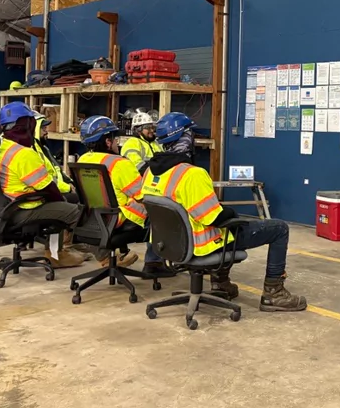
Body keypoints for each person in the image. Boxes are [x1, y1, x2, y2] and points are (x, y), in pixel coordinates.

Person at [142, 112, 307, 312]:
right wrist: (230, 213)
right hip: (201, 245)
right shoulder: (191, 174)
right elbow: (214, 218)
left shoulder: (150, 172)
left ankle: (221, 284)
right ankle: (274, 293)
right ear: (186, 138)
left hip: (169, 244)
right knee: (278, 228)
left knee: (230, 223)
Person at [0, 102, 85, 268]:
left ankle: (61, 250)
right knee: (78, 211)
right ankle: (62, 255)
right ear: (25, 125)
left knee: (64, 202)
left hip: (4, 206)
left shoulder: (0, 147)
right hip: (23, 207)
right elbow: (48, 189)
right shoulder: (24, 154)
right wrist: (61, 200)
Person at [77, 115, 143, 269]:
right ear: (107, 141)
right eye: (115, 139)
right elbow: (142, 195)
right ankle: (156, 263)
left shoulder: (83, 159)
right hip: (116, 219)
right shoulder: (119, 163)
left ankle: (110, 257)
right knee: (157, 205)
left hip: (91, 217)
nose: (116, 143)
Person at [119, 111, 166, 273]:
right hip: (136, 198)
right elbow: (138, 167)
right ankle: (153, 263)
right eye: (147, 128)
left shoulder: (155, 144)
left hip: (154, 190)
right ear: (138, 130)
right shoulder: (132, 143)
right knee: (160, 218)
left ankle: (162, 258)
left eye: (152, 127)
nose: (152, 130)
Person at [33, 113, 78, 204]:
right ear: (35, 130)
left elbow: (58, 171)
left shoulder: (44, 149)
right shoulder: (34, 152)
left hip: (59, 189)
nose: (46, 131)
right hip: (50, 194)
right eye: (43, 129)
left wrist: (72, 183)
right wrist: (68, 188)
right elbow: (46, 180)